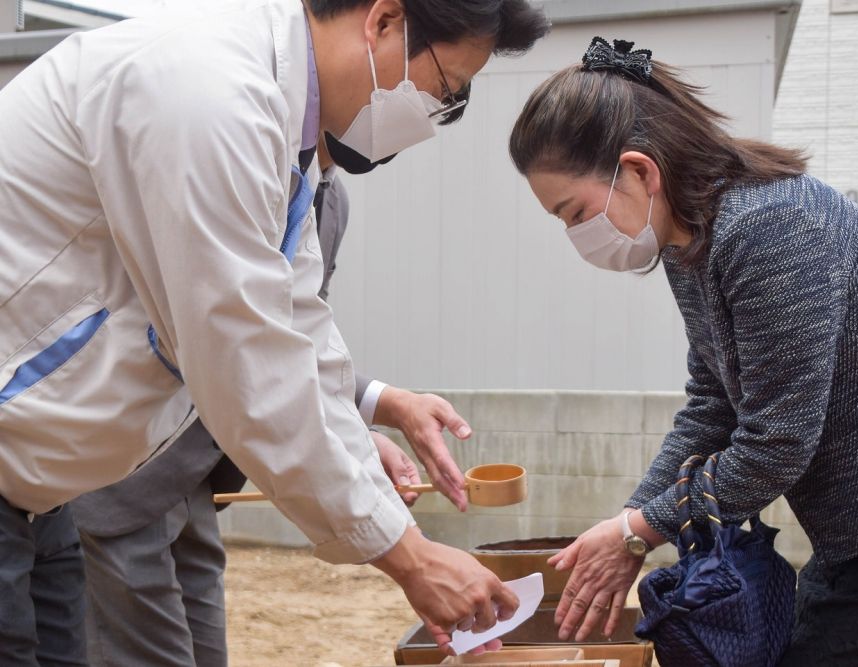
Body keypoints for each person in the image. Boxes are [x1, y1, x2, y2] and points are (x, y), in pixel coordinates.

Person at [0, 0, 548, 662]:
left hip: (41, 491)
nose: (435, 114)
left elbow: (305, 345)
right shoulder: (210, 95)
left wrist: (402, 532)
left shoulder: (285, 140)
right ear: (383, 20)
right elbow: (245, 363)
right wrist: (408, 557)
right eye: (444, 88)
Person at [506, 37, 858, 665]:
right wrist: (631, 521)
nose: (576, 234)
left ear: (639, 171)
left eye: (574, 212)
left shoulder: (771, 225)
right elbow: (714, 404)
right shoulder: (692, 245)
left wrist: (637, 533)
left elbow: (777, 441)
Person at [72, 147, 455, 665]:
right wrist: (409, 555)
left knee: (206, 650)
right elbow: (240, 342)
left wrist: (370, 419)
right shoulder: (233, 160)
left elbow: (299, 342)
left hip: (198, 469)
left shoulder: (331, 197)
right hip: (124, 459)